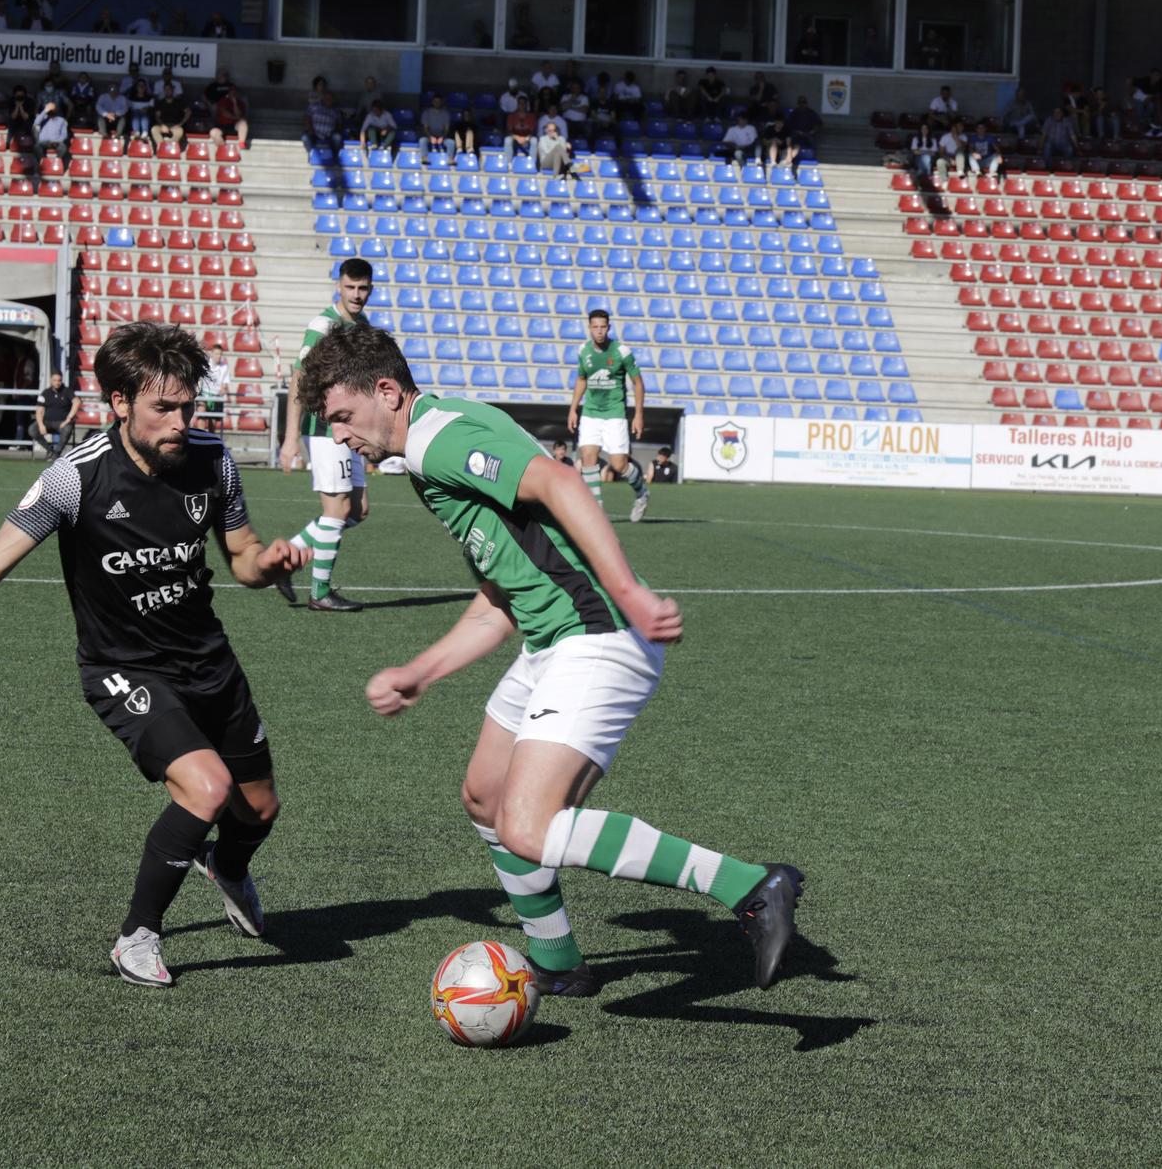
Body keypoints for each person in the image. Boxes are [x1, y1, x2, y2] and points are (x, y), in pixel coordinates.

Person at [297, 322, 804, 997]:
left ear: (386, 391)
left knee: (529, 825)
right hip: (552, 637)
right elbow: (503, 589)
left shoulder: (436, 439)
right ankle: (558, 959)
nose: (337, 436)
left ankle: (751, 887)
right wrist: (423, 669)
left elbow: (562, 481)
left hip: (597, 635)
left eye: (340, 416)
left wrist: (627, 590)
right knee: (485, 793)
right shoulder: (431, 440)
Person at [0, 323, 303, 989]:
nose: (181, 420)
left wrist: (267, 561)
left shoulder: (214, 461)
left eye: (188, 405)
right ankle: (138, 935)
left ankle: (229, 866)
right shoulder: (75, 477)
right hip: (125, 668)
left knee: (260, 808)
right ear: (118, 402)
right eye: (164, 407)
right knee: (207, 788)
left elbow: (241, 556)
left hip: (208, 661)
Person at [278, 259, 376, 612]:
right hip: (324, 429)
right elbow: (300, 379)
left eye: (362, 288)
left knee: (357, 511)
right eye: (350, 287)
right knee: (336, 510)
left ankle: (284, 560)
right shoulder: (324, 325)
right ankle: (320, 592)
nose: (356, 295)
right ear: (339, 286)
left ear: (371, 289)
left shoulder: (363, 326)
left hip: (348, 430)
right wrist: (290, 440)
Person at [567, 308, 652, 522]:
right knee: (588, 457)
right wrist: (573, 408)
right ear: (589, 328)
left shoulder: (621, 352)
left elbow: (638, 382)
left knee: (618, 465)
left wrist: (639, 414)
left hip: (615, 413)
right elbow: (581, 379)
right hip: (590, 412)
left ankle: (642, 493)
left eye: (603, 327)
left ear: (608, 328)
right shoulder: (583, 351)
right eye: (595, 327)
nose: (599, 331)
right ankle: (597, 511)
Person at [35, 371, 80, 460]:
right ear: (51, 381)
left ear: (62, 380)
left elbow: (77, 402)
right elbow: (39, 411)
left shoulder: (67, 391)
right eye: (55, 380)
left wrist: (68, 419)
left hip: (62, 423)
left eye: (59, 380)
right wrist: (40, 425)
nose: (57, 382)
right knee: (32, 429)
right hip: (47, 422)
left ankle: (56, 454)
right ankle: (50, 450)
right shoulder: (45, 393)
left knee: (67, 428)